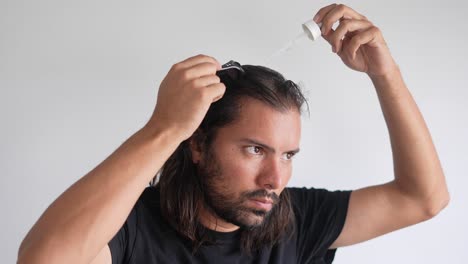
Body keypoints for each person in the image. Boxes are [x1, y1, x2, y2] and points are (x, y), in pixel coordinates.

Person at [17, 4, 450, 264]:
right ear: (199, 145)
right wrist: (164, 126)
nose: (275, 179)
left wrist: (385, 73)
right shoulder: (132, 226)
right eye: (255, 149)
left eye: (288, 155)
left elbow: (423, 199)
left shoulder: (296, 222)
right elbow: (44, 260)